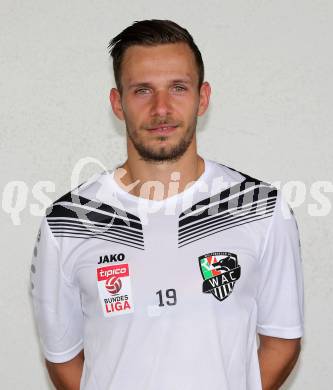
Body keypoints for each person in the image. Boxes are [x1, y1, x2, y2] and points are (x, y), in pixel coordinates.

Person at [30, 19, 304, 390]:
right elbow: (62, 359)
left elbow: (282, 340)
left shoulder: (262, 209)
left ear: (202, 97)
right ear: (118, 102)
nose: (161, 108)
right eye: (142, 90)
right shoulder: (67, 222)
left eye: (178, 87)